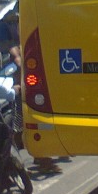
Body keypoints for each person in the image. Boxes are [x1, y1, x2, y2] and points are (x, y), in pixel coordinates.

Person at [8, 45, 63, 174]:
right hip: (21, 95)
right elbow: (21, 64)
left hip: (32, 93)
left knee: (30, 128)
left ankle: (41, 158)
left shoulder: (29, 46)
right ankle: (35, 160)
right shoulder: (15, 49)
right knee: (20, 130)